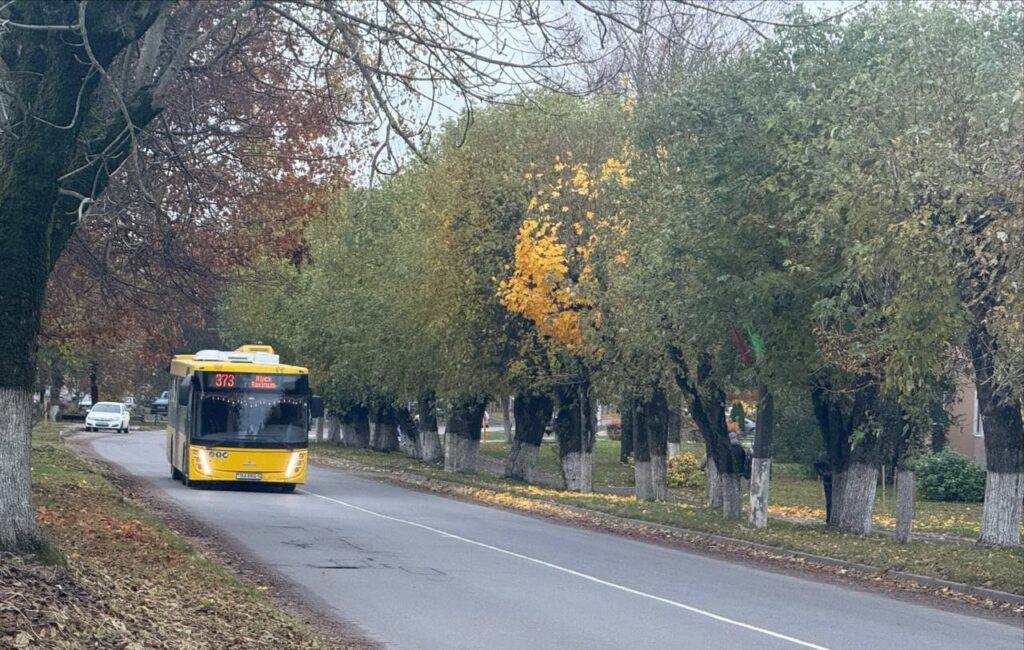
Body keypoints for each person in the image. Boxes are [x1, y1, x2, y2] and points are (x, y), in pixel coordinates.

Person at [813, 455, 834, 524]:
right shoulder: (825, 457)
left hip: (835, 481)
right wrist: (823, 474)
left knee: (831, 501)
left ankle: (831, 518)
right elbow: (816, 464)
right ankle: (828, 519)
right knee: (829, 501)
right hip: (828, 482)